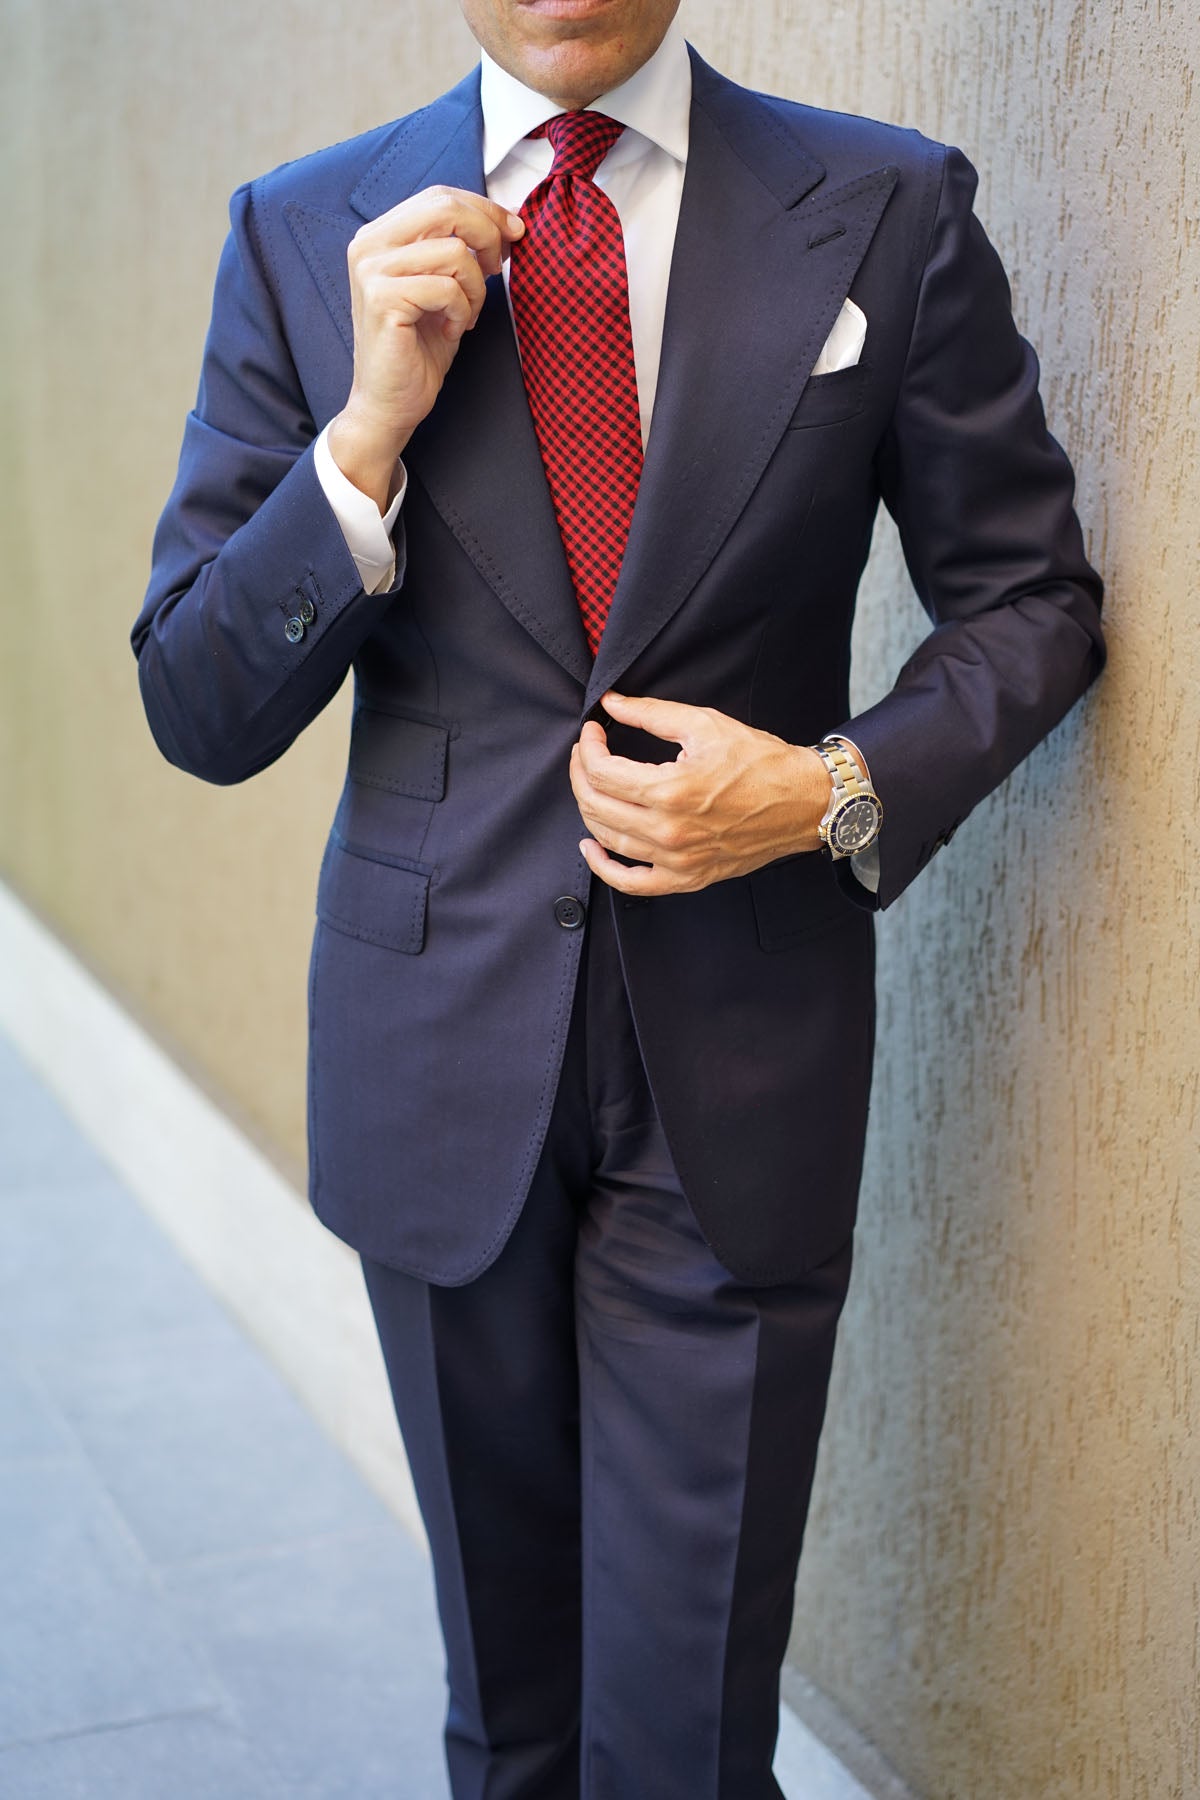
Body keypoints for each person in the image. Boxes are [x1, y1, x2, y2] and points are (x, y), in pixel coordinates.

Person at [132, 1, 1104, 1793]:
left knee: (685, 1742)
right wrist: (360, 446)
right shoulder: (301, 230)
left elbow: (1032, 600)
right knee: (508, 1722)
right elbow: (196, 701)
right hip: (436, 1061)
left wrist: (826, 790)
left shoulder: (882, 207)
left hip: (738, 1065)